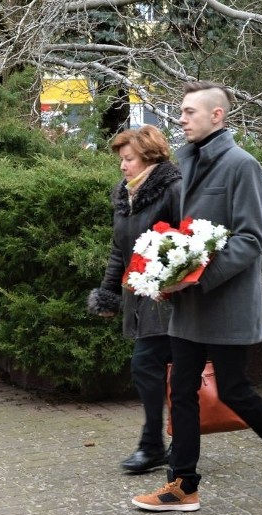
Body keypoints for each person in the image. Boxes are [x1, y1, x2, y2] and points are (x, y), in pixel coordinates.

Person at [132, 81, 262, 512]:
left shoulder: (241, 165)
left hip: (226, 303)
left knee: (233, 390)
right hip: (188, 305)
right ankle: (183, 484)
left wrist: (195, 278)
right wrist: (163, 274)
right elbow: (181, 236)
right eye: (180, 111)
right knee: (182, 391)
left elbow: (252, 239)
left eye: (189, 111)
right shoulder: (187, 164)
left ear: (217, 115)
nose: (181, 118)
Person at [87, 125, 181, 473]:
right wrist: (108, 293)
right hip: (138, 294)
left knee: (147, 366)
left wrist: (168, 280)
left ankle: (153, 444)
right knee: (167, 373)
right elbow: (119, 249)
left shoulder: (172, 188)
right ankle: (173, 445)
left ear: (149, 157)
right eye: (121, 160)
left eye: (129, 159)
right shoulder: (125, 194)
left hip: (168, 297)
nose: (123, 166)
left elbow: (188, 241)